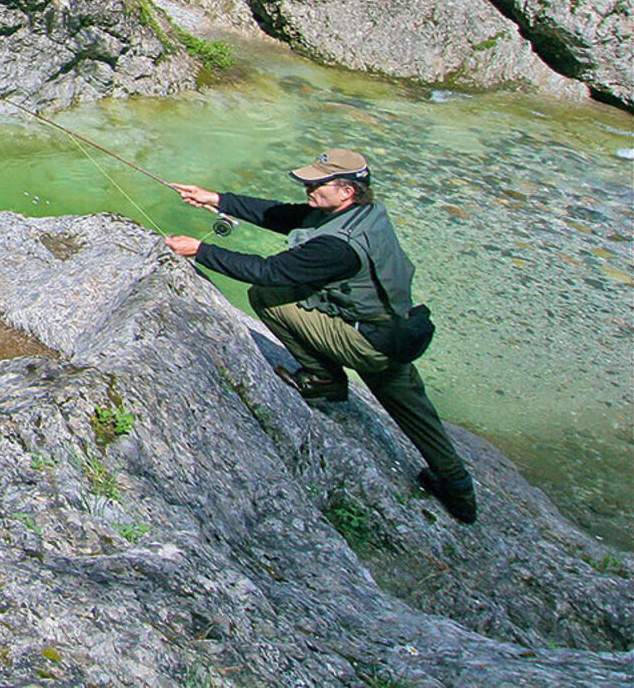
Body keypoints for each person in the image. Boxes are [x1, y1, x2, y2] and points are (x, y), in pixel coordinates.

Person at [163, 149, 478, 524]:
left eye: (315, 183)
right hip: (398, 330)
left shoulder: (337, 247)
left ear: (345, 191)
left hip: (367, 341)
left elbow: (268, 272)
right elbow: (286, 215)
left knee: (268, 297)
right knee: (417, 412)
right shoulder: (365, 214)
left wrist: (200, 251)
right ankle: (460, 493)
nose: (307, 187)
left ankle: (323, 378)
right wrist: (216, 199)